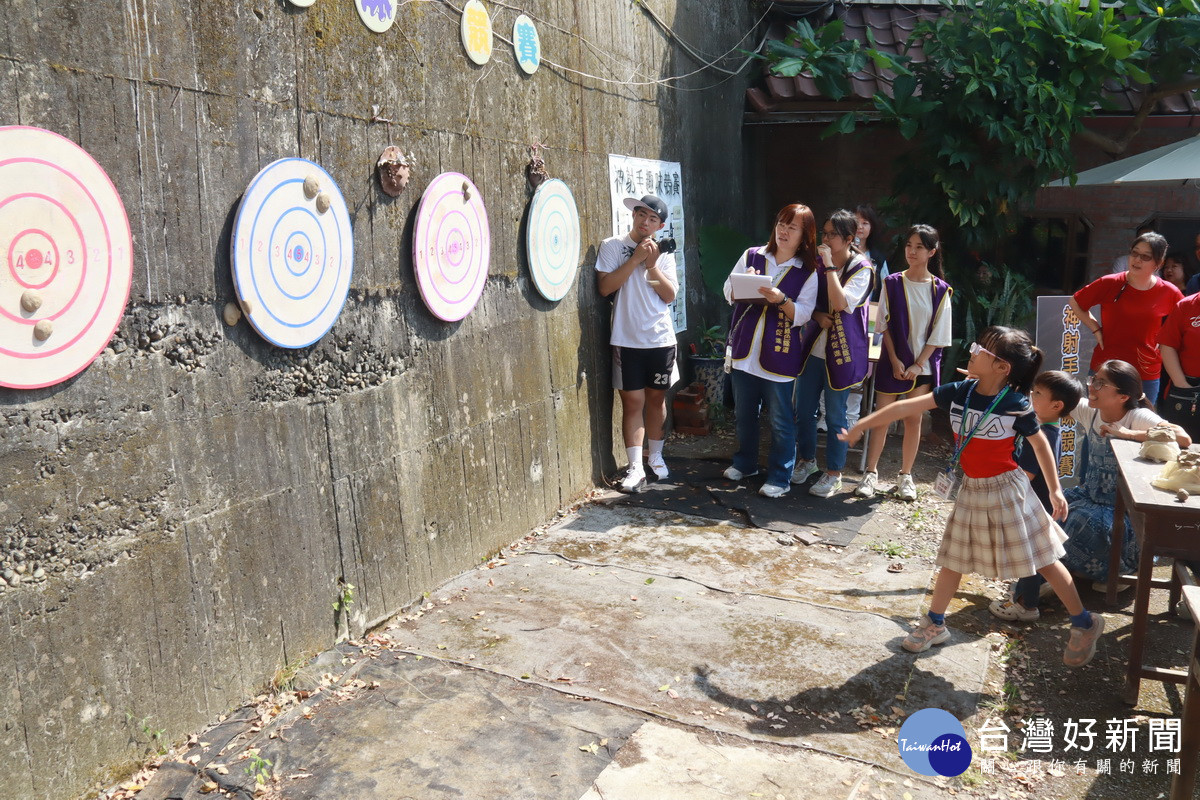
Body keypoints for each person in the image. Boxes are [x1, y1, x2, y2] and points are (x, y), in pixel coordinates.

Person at [840, 326, 1106, 667]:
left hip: (1009, 490)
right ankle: (935, 623)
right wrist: (863, 424)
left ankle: (1084, 623)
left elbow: (1040, 444)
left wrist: (1054, 488)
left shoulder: (1015, 404)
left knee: (1044, 558)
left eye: (983, 349)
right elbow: (904, 409)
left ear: (1002, 367)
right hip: (972, 488)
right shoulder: (958, 391)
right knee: (952, 558)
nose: (973, 349)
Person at [1057, 360, 1191, 588]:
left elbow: (1182, 437)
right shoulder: (1090, 410)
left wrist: (1128, 434)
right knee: (1053, 509)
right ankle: (1074, 573)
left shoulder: (1136, 416)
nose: (1091, 386)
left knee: (1084, 522)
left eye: (1100, 383)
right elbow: (1048, 399)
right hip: (1090, 496)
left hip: (1127, 510)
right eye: (1093, 380)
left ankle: (1121, 570)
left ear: (1123, 397)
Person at [721, 204, 820, 497]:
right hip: (744, 349)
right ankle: (745, 463)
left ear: (805, 236)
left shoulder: (808, 271)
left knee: (780, 419)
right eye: (780, 223)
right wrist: (746, 283)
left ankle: (779, 476)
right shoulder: (752, 255)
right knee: (744, 414)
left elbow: (803, 314)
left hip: (779, 354)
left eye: (792, 227)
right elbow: (728, 291)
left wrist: (781, 299)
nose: (783, 231)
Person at [857, 224, 952, 501]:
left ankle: (905, 475)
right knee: (881, 417)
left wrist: (916, 365)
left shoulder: (941, 291)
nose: (912, 251)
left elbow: (939, 335)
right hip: (892, 361)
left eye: (919, 246)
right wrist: (897, 360)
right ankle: (870, 473)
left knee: (913, 419)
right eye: (909, 245)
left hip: (921, 367)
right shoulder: (892, 282)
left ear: (932, 252)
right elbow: (883, 324)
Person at [596, 194, 678, 493]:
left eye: (652, 218)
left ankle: (655, 456)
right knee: (632, 402)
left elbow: (669, 296)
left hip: (659, 338)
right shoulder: (612, 246)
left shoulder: (664, 253)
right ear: (633, 215)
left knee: (656, 399)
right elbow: (605, 287)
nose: (645, 221)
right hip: (626, 338)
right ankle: (635, 467)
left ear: (661, 225)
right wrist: (634, 260)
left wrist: (652, 266)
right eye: (641, 214)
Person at [988, 370, 1085, 621]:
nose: (1031, 395)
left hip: (1035, 508)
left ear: (1057, 405)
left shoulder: (1044, 436)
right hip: (1039, 506)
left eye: (1038, 393)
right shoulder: (1045, 429)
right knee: (1036, 559)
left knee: (1033, 558)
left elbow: (1026, 476)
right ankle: (1027, 595)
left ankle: (1026, 605)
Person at [792, 209, 874, 498]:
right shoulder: (815, 263)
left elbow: (841, 303)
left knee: (836, 414)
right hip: (814, 346)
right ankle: (807, 461)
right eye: (824, 233)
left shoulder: (862, 268)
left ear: (850, 239)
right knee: (803, 410)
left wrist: (828, 267)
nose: (825, 239)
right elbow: (805, 299)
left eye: (831, 235)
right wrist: (815, 314)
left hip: (844, 350)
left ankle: (835, 473)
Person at [1069, 231, 1182, 404]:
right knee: (1100, 427)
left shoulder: (1169, 292)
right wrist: (1096, 329)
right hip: (1106, 366)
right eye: (1134, 253)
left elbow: (1183, 322)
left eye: (1145, 257)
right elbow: (1076, 302)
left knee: (1140, 426)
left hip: (1145, 371)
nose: (1137, 260)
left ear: (1158, 263)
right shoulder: (1110, 282)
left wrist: (1165, 341)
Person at [1159, 289, 1200, 441]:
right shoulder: (1186, 305)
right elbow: (1167, 345)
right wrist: (1181, 384)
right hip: (1188, 392)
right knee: (1182, 454)